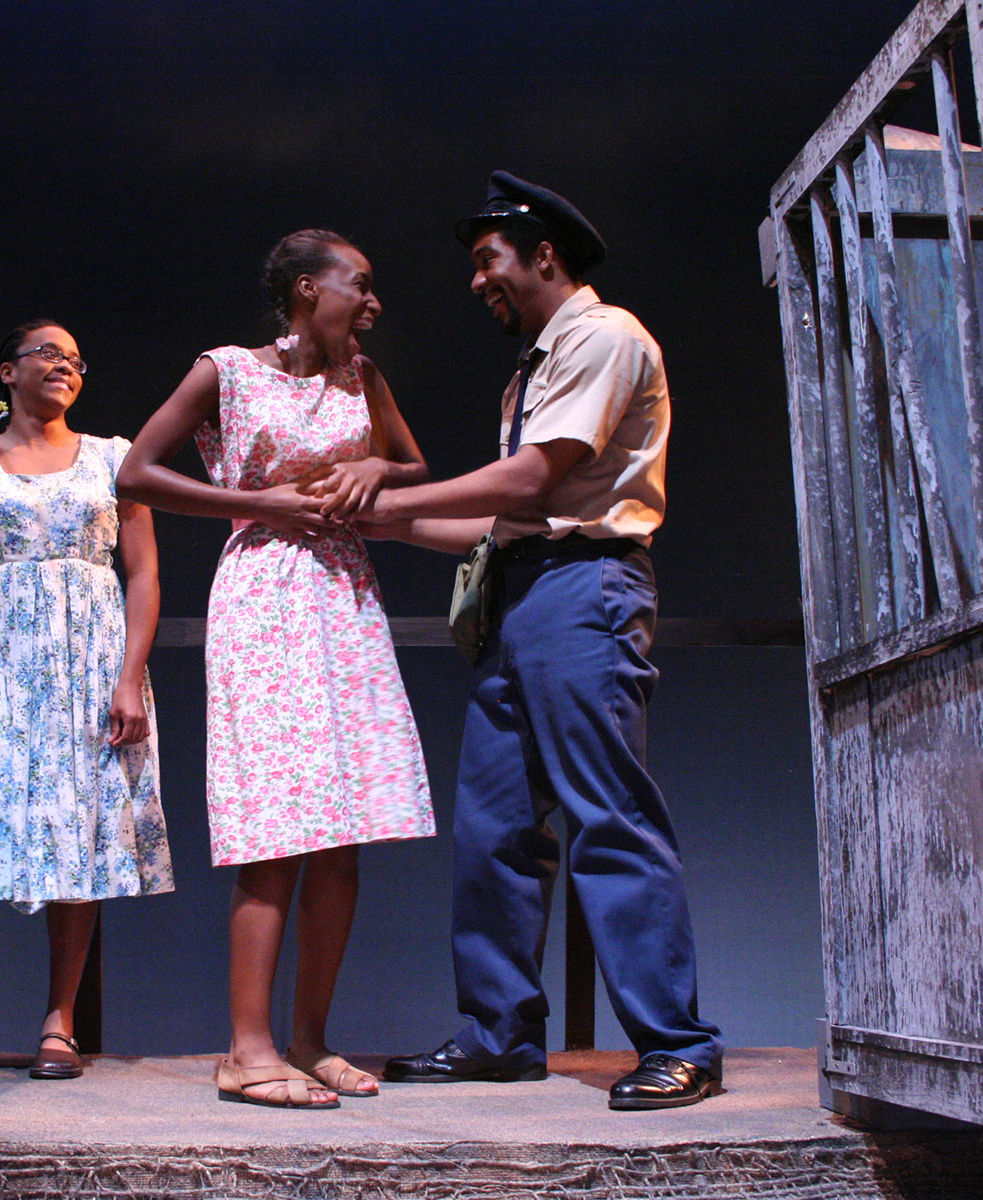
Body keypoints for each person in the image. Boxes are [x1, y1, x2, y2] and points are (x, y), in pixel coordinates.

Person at [360, 173, 724, 1109]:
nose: (478, 281)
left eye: (488, 260)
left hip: (584, 590)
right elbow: (498, 526)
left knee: (608, 814)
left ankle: (678, 1042)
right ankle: (498, 1035)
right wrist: (373, 525)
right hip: (522, 594)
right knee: (494, 831)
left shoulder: (602, 336)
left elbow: (528, 483)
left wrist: (389, 496)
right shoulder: (537, 364)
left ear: (544, 255)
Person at [116, 230, 435, 1109]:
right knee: (278, 829)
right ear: (306, 289)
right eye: (358, 286)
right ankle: (245, 1049)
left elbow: (413, 466)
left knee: (342, 831)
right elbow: (136, 473)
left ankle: (309, 1040)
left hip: (344, 596)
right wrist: (254, 502)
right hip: (263, 593)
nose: (371, 304)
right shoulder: (226, 369)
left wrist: (374, 463)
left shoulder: (361, 376)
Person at [0, 320, 172, 1082]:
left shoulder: (115, 459)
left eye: (77, 359)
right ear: (7, 370)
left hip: (90, 666)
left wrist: (127, 677)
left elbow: (141, 573)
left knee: (77, 836)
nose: (65, 365)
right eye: (49, 353)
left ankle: (59, 1021)